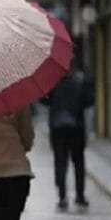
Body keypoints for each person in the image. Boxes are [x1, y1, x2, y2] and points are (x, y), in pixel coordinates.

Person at [42, 70, 94, 210]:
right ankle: (80, 195)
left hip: (57, 127)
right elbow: (90, 100)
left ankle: (62, 197)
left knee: (60, 162)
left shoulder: (51, 80)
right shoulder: (81, 80)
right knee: (78, 162)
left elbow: (43, 100)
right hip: (76, 126)